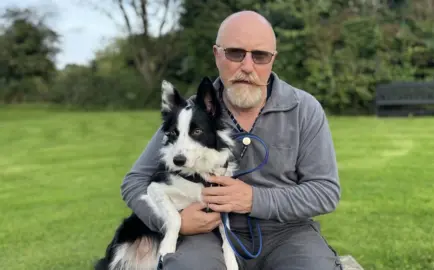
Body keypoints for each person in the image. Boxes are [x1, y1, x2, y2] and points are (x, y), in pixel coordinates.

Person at [120, 10, 342, 270]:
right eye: (235, 53)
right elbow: (134, 182)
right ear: (217, 55)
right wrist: (174, 221)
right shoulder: (188, 115)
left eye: (259, 56)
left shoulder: (304, 109)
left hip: (287, 233)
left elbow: (325, 192)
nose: (247, 66)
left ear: (272, 60)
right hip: (206, 234)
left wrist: (253, 200)